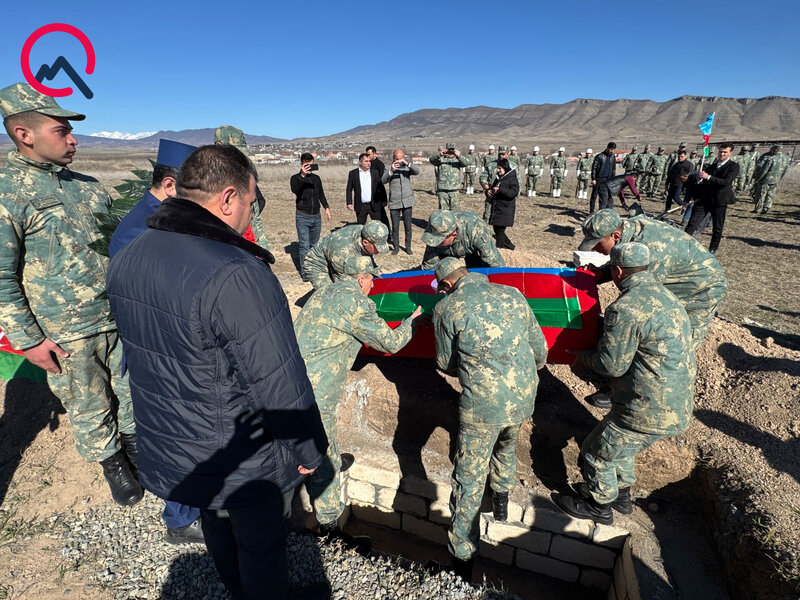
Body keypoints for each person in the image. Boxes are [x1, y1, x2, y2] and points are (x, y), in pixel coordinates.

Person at [107, 144, 328, 600]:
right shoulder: (235, 272)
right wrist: (308, 447)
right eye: (251, 202)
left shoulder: (132, 253)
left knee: (217, 529)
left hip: (177, 443)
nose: (251, 214)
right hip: (238, 453)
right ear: (228, 198)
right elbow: (277, 378)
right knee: (262, 547)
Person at [0, 83, 141, 506]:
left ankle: (137, 446)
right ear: (25, 134)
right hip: (64, 330)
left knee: (132, 389)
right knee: (87, 399)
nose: (74, 138)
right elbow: (2, 277)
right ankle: (112, 461)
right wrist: (28, 340)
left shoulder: (89, 185)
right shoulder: (7, 192)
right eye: (62, 131)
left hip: (117, 314)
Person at [555, 243, 695, 524]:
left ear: (617, 271)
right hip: (676, 402)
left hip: (647, 406)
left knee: (597, 453)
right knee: (619, 446)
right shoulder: (667, 297)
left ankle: (598, 505)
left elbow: (612, 365)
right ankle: (620, 495)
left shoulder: (626, 308)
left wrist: (582, 356)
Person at [109, 139, 203, 543]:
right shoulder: (137, 231)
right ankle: (181, 520)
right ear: (169, 185)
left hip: (173, 346)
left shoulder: (160, 217)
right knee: (175, 433)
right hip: (159, 352)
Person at [433, 257, 548, 580]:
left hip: (482, 407)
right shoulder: (512, 293)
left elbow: (445, 363)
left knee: (468, 478)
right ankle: (500, 499)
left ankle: (461, 562)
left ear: (446, 285)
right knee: (505, 446)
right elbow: (539, 351)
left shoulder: (447, 309)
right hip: (524, 397)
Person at [295, 255, 424, 535]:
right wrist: (413, 321)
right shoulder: (355, 302)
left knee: (315, 438)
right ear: (361, 278)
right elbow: (389, 342)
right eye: (372, 281)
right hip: (315, 393)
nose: (373, 288)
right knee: (322, 452)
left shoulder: (323, 291)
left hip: (292, 381)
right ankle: (329, 524)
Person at [578, 209, 727, 352]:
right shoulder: (628, 229)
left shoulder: (653, 251)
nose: (593, 249)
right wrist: (602, 274)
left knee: (679, 338)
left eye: (598, 244)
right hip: (673, 272)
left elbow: (638, 296)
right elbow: (627, 261)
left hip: (701, 286)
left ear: (615, 236)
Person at [214, 125, 270, 249]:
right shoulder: (209, 182)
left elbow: (259, 202)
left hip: (253, 244)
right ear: (218, 147)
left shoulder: (243, 174)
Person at [685, 142, 738, 253]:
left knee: (717, 227)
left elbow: (726, 182)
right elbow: (704, 182)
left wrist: (708, 177)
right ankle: (684, 243)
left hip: (720, 201)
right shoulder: (712, 166)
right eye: (721, 151)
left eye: (725, 152)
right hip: (705, 199)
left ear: (730, 153)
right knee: (693, 222)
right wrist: (699, 180)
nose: (722, 154)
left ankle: (713, 248)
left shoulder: (733, 166)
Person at [304, 221, 390, 289]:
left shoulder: (366, 232)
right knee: (332, 293)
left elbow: (366, 256)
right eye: (376, 248)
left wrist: (374, 270)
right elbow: (343, 281)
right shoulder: (343, 252)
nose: (378, 251)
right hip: (317, 263)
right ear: (365, 242)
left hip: (335, 255)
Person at [290, 153, 331, 282]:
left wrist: (326, 207)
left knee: (314, 245)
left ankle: (314, 268)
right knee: (304, 245)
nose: (308, 164)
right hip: (303, 216)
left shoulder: (316, 178)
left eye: (310, 162)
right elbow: (295, 190)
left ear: (313, 162)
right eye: (305, 162)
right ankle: (305, 272)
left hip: (316, 216)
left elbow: (321, 194)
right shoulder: (295, 178)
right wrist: (302, 175)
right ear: (301, 163)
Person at [420, 210, 505, 270]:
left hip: (471, 248)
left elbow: (496, 264)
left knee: (477, 272)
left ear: (454, 235)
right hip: (448, 251)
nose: (435, 243)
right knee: (445, 271)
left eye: (440, 240)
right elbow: (429, 266)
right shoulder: (436, 229)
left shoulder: (476, 231)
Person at [382, 149, 419, 255]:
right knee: (395, 227)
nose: (399, 161)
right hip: (394, 202)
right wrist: (391, 171)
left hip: (407, 201)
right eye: (397, 159)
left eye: (401, 158)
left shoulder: (407, 167)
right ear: (393, 158)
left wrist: (408, 163)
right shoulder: (388, 168)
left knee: (408, 226)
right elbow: (383, 181)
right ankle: (396, 247)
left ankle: (408, 247)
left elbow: (417, 171)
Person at [346, 153, 389, 226]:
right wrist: (349, 202)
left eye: (369, 161)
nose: (368, 163)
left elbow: (381, 187)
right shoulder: (353, 173)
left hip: (374, 205)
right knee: (361, 226)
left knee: (377, 226)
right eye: (366, 161)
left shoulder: (375, 172)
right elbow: (349, 189)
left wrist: (384, 200)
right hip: (360, 205)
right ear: (360, 162)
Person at [487, 158, 519, 250]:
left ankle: (500, 248)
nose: (498, 170)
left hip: (505, 209)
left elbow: (514, 192)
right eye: (498, 168)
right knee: (497, 229)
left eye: (500, 168)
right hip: (497, 209)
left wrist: (500, 190)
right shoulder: (498, 178)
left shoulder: (512, 179)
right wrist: (488, 192)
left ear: (505, 168)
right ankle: (509, 246)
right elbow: (493, 188)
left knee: (499, 230)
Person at [429, 143, 468, 210]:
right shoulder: (441, 159)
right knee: (443, 211)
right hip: (442, 189)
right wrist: (439, 154)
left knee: (455, 211)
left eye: (452, 149)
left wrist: (459, 156)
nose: (450, 151)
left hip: (454, 189)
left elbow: (466, 163)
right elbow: (431, 160)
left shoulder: (457, 160)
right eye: (449, 149)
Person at [750, 145, 784, 215]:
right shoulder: (786, 158)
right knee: (770, 194)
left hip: (765, 179)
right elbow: (785, 171)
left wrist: (757, 179)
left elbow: (764, 171)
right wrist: (779, 178)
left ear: (775, 150)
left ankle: (758, 209)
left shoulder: (771, 159)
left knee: (761, 194)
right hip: (775, 180)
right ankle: (766, 207)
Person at [480, 145, 508, 221]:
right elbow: (482, 178)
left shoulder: (512, 166)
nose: (501, 156)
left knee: (502, 217)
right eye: (500, 154)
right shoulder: (491, 165)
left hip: (505, 196)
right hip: (491, 194)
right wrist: (487, 189)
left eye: (503, 154)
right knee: (487, 216)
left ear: (507, 154)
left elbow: (517, 182)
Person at [590, 142, 617, 213]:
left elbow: (613, 169)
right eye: (611, 149)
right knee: (594, 195)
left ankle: (604, 212)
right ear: (607, 148)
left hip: (608, 179)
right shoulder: (599, 156)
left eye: (613, 149)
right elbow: (594, 168)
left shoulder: (613, 157)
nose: (612, 151)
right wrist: (593, 178)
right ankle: (591, 211)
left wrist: (613, 179)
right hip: (599, 178)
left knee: (607, 196)